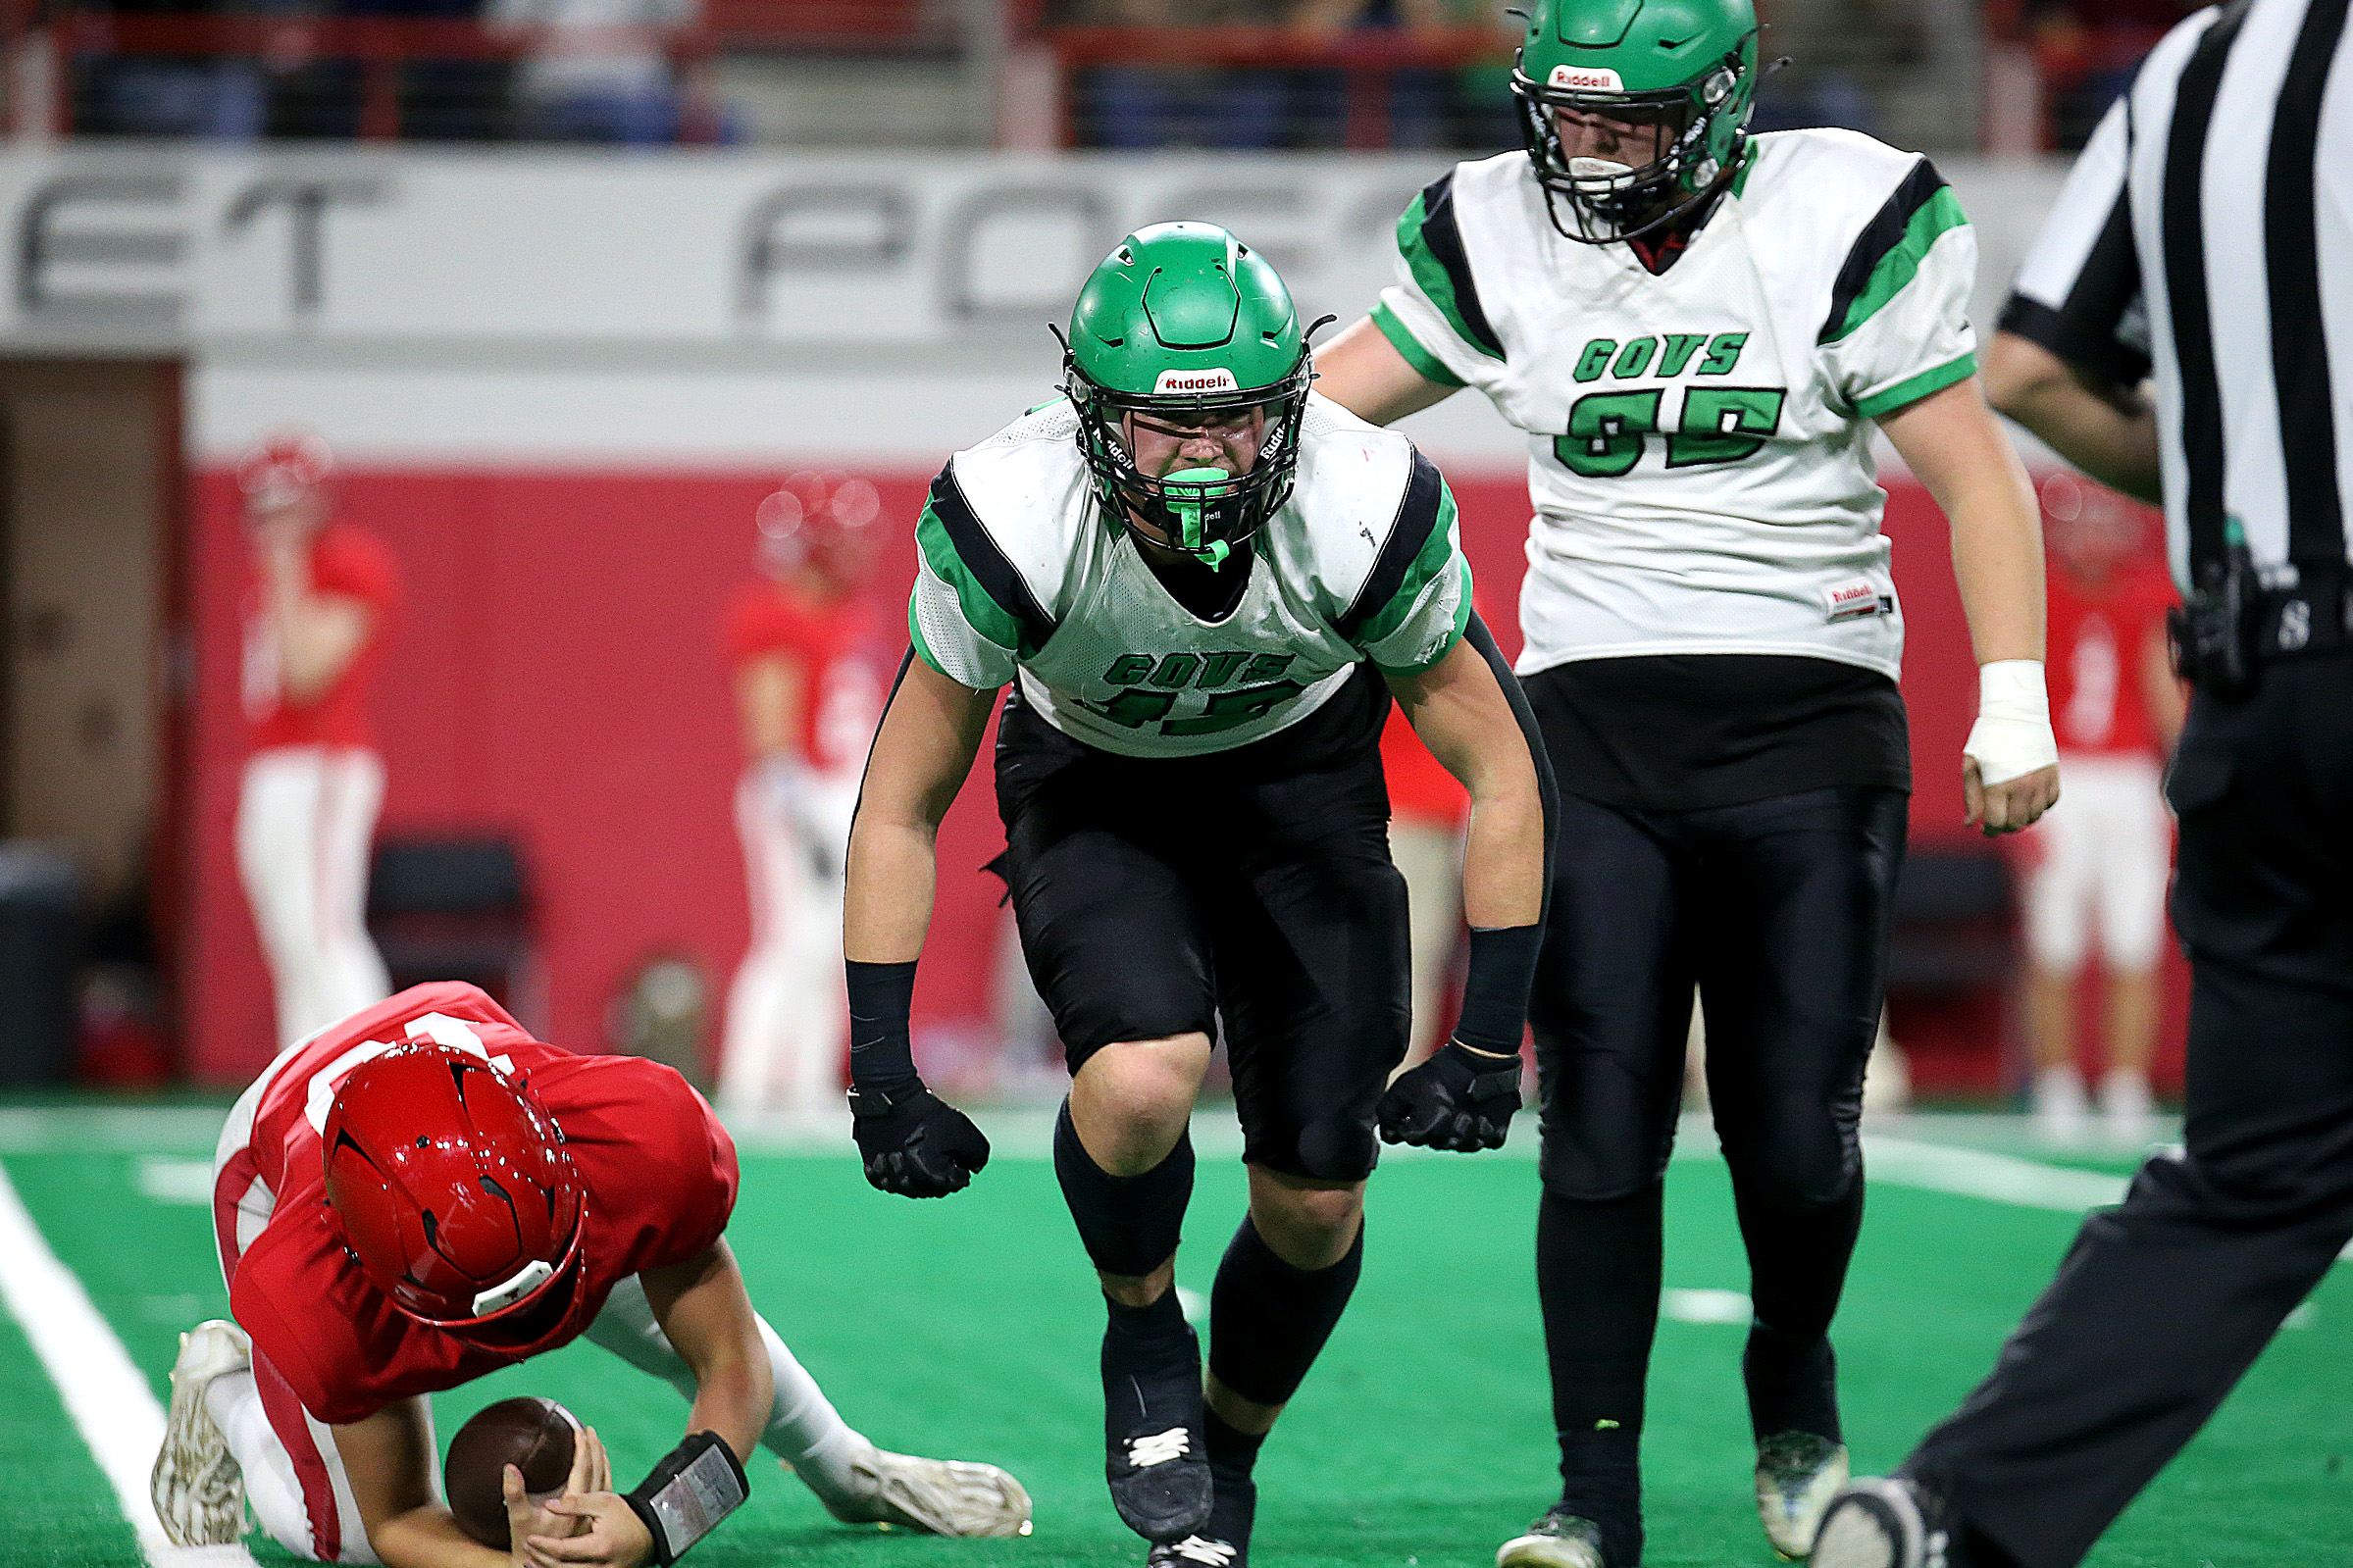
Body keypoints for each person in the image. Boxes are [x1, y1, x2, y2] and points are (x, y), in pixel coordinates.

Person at [1306, 0, 2062, 1560]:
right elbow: (1315, 410)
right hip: (1589, 725)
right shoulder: (1498, 228)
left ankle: (1790, 1368)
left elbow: (1973, 469)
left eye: (1628, 123)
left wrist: (2010, 692)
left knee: (1793, 1130)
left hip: (1808, 717)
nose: (1585, 155)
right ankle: (1593, 1492)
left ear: (1719, 109)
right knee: (1593, 1121)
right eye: (1567, 117)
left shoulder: (1837, 210)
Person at [840, 222, 1553, 1568]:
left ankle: (1223, 1453)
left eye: (1230, 418)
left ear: (1285, 405)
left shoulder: (1362, 496)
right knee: (1138, 1078)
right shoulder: (1012, 509)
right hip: (1098, 790)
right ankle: (1141, 1318)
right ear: (1088, 415)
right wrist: (883, 1065)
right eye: (1161, 427)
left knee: (1317, 1192)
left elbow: (1501, 768)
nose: (1198, 454)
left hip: (1301, 794)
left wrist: (1483, 1038)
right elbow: (897, 799)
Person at [1815, 0, 2353, 1559]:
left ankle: (1950, 1510)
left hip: (2261, 671)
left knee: (2251, 1172)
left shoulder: (2199, 62)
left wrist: (2237, 484)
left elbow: (2036, 370)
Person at [148, 980, 1031, 1565]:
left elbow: (730, 1361)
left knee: (705, 1323)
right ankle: (223, 1384)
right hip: (279, 1158)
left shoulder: (636, 1145)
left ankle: (854, 1470)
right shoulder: (314, 1288)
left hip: (504, 1176)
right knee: (334, 1535)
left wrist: (657, 1520)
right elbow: (395, 1517)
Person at [2016, 479, 2183, 1142]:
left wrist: (2180, 779)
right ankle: (2056, 1082)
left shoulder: (2149, 594)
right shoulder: (2036, 593)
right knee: (2051, 938)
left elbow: (2162, 691)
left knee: (2132, 938)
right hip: (2059, 775)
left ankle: (2123, 1083)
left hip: (2129, 777)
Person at [718, 475, 888, 1122]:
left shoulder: (857, 613)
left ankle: (808, 1086)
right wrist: (801, 813)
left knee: (832, 950)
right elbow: (769, 726)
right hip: (796, 792)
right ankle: (749, 1088)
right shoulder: (771, 612)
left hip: (845, 793)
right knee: (788, 942)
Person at [235, 430, 402, 1052]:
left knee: (325, 930)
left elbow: (305, 673)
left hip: (321, 765)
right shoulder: (279, 570)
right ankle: (301, 1079)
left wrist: (285, 566)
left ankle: (378, 1068)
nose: (273, 521)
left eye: (287, 504)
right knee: (289, 935)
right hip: (277, 765)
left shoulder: (347, 562)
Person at [1381, 700, 1471, 1065]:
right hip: (1408, 813)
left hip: (1430, 812)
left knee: (1413, 961)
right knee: (1410, 961)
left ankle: (1389, 1087)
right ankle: (1386, 1089)